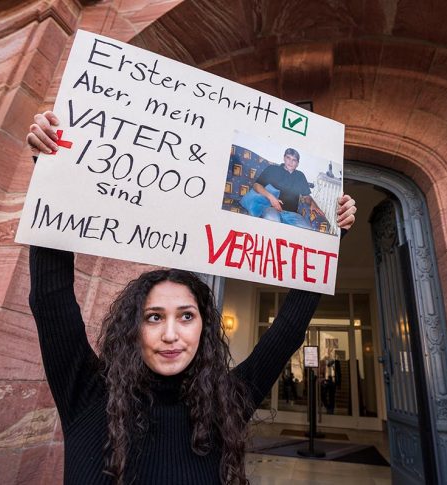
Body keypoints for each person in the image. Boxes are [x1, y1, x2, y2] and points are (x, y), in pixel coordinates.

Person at [26, 111, 357, 484]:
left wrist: (328, 241)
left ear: (204, 326)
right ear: (132, 327)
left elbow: (288, 329)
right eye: (154, 317)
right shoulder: (86, 393)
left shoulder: (227, 401)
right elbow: (51, 299)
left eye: (186, 316)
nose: (171, 334)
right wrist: (51, 173)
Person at [241, 148, 325, 230]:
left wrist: (313, 203)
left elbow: (306, 196)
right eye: (288, 158)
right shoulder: (272, 169)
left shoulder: (300, 176)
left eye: (294, 160)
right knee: (273, 222)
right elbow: (256, 186)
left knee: (307, 230)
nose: (290, 162)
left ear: (297, 163)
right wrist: (272, 198)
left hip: (292, 214)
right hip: (271, 208)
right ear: (284, 158)